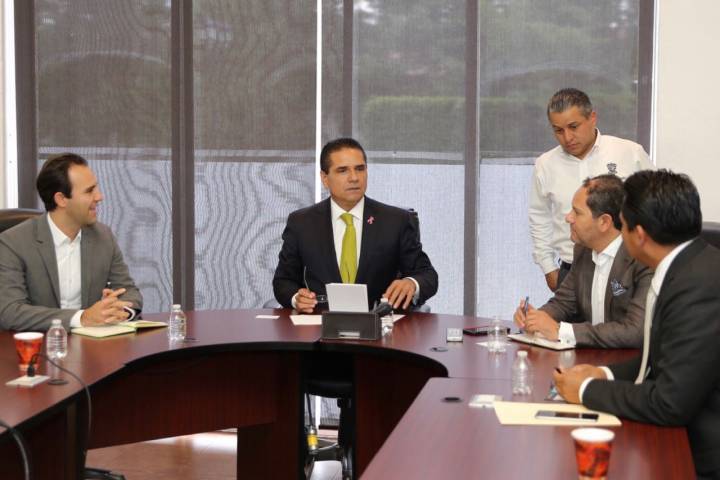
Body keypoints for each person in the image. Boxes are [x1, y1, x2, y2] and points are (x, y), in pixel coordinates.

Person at [553, 170, 720, 479]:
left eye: (623, 225)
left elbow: (670, 403)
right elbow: (660, 359)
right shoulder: (688, 266)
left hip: (699, 457)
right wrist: (603, 373)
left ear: (639, 235)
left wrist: (587, 390)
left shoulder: (699, 286)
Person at [273, 137, 438, 312]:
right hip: (320, 322)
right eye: (343, 170)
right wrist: (296, 298)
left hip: (380, 322)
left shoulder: (396, 221)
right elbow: (283, 281)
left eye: (360, 169)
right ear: (325, 178)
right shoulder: (301, 223)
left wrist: (411, 283)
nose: (354, 178)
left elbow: (427, 275)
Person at [0, 153, 143, 331]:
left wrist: (119, 310)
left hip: (92, 344)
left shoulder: (103, 236)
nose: (99, 197)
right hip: (39, 344)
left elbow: (129, 291)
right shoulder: (13, 243)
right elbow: (10, 312)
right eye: (89, 191)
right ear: (61, 199)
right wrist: (82, 318)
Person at [529, 88, 652, 291]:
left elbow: (655, 206)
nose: (567, 137)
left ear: (592, 117)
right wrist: (548, 267)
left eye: (574, 126)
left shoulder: (629, 153)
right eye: (558, 130)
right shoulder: (545, 164)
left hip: (626, 268)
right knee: (563, 314)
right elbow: (539, 217)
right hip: (572, 269)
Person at [514, 174, 651, 348]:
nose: (568, 218)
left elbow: (634, 331)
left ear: (604, 222)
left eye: (577, 212)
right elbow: (563, 303)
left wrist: (560, 331)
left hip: (631, 360)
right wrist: (535, 318)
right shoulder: (582, 250)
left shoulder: (642, 258)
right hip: (591, 356)